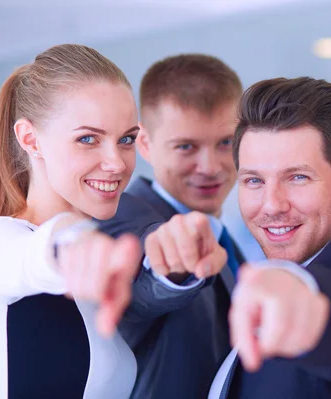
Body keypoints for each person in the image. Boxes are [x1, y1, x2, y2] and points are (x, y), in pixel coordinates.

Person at [143, 77, 331, 399]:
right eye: (253, 181)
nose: (272, 204)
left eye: (297, 177)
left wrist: (303, 293)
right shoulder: (249, 285)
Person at [0, 44, 158, 398]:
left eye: (125, 140)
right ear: (30, 139)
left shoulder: (91, 273)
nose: (118, 163)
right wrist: (73, 239)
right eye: (88, 139)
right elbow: (33, 255)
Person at [98, 54, 246, 399]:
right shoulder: (121, 219)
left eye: (225, 142)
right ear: (145, 145)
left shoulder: (225, 240)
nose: (210, 167)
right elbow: (143, 277)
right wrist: (169, 267)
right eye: (186, 147)